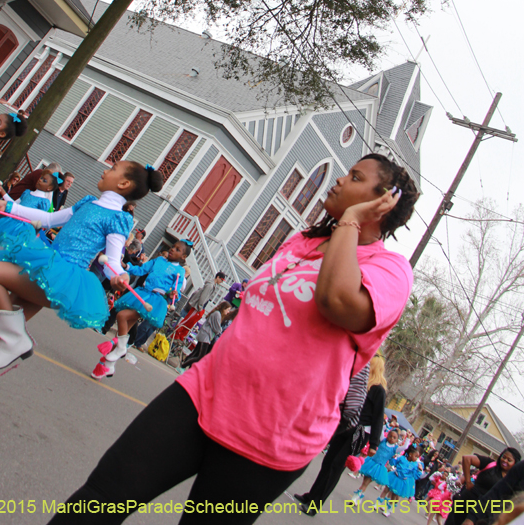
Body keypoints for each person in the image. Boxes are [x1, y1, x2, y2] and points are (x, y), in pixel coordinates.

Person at [47, 152, 418, 525]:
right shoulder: (302, 242)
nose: (339, 180)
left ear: (384, 200)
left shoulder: (388, 269)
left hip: (270, 437)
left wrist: (352, 222)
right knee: (100, 497)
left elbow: (336, 301)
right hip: (203, 393)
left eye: (355, 177)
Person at [0, 160, 163, 427]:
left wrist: (120, 275)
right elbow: (49, 219)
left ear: (123, 183)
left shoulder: (118, 218)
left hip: (61, 278)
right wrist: (9, 206)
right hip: (46, 266)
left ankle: (16, 339)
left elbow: (114, 260)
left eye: (113, 169)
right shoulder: (87, 202)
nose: (105, 170)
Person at [295, 354, 388, 515]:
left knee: (336, 465)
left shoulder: (378, 390)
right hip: (346, 425)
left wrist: (374, 444)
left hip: (360, 433)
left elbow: (378, 418)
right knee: (328, 460)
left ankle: (315, 504)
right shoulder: (362, 384)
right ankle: (311, 496)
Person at [92, 240, 193, 379]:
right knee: (124, 330)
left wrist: (173, 294)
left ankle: (122, 347)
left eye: (177, 249)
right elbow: (141, 269)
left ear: (183, 257)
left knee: (121, 316)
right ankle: (107, 367)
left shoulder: (179, 271)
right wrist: (125, 266)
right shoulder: (158, 260)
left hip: (154, 300)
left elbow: (176, 291)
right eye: (173, 246)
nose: (172, 249)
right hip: (142, 293)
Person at [445, 447, 521, 525]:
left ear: (515, 464)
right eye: (504, 457)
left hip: (484, 513)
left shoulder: (514, 480)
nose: (505, 461)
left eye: (509, 460)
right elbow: (466, 458)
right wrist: (468, 482)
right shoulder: (490, 464)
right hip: (467, 501)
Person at [349, 428, 399, 502]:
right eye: (390, 436)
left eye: (394, 438)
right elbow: (380, 431)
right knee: (365, 482)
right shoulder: (383, 441)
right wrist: (383, 423)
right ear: (387, 435)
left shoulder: (394, 449)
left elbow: (405, 447)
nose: (392, 438)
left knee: (366, 482)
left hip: (378, 468)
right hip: (371, 462)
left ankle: (356, 496)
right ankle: (359, 497)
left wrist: (407, 438)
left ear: (397, 440)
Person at [180, 301, 233, 369]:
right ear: (224, 308)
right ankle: (184, 365)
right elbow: (217, 328)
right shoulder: (217, 314)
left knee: (195, 353)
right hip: (205, 337)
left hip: (204, 335)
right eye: (228, 310)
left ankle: (187, 366)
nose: (228, 312)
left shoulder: (216, 313)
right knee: (200, 357)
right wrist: (221, 332)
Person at [379, 444, 423, 515]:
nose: (416, 458)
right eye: (416, 456)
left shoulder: (415, 465)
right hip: (394, 476)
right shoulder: (402, 458)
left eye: (418, 457)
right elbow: (394, 463)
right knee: (386, 489)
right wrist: (392, 457)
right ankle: (378, 503)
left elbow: (416, 476)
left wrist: (419, 470)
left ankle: (389, 508)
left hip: (402, 481)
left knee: (394, 495)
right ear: (410, 454)